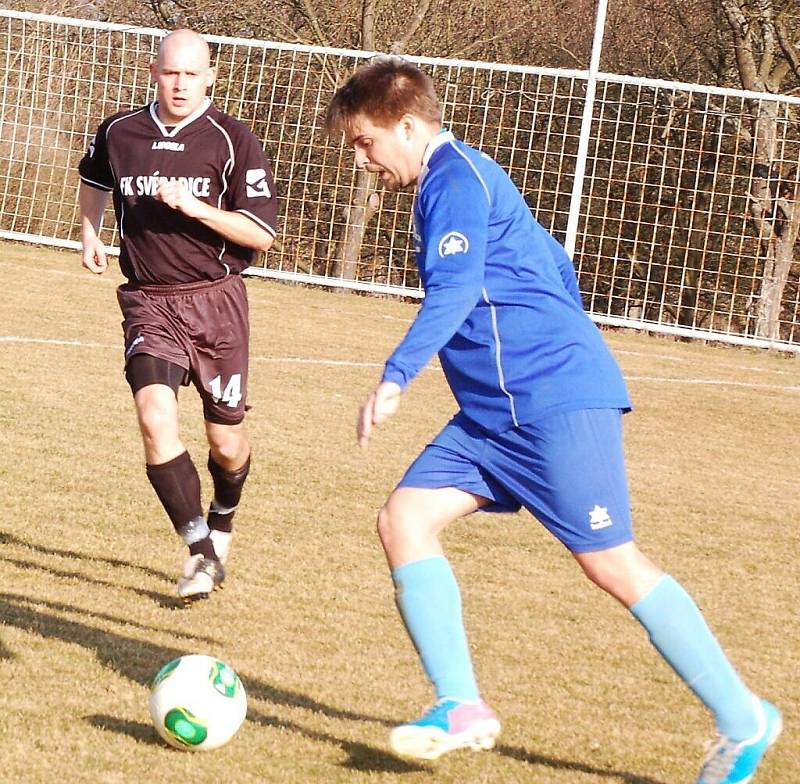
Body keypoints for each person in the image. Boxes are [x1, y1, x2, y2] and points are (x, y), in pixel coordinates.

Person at [325, 56, 781, 783]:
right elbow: (552, 261)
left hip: (550, 404)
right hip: (493, 417)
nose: (361, 158)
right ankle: (461, 706)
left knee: (611, 563)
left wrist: (397, 375)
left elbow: (456, 290)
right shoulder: (456, 181)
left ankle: (742, 716)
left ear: (407, 125)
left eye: (366, 142)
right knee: (403, 519)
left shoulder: (454, 181)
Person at [78, 29, 278, 603]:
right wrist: (91, 231)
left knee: (227, 443)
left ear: (210, 76)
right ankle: (199, 552)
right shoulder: (120, 131)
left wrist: (195, 206)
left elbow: (261, 235)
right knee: (154, 416)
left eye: (193, 74)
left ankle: (223, 514)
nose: (181, 83)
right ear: (153, 72)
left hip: (217, 303)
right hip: (148, 299)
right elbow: (93, 180)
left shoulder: (232, 140)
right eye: (171, 73)